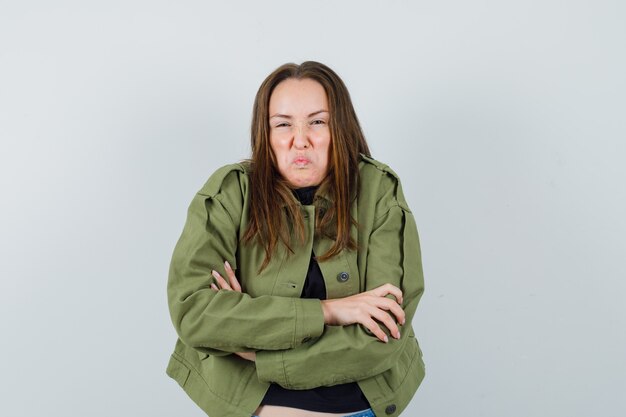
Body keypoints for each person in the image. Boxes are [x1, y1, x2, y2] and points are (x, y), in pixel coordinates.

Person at [166, 61, 425, 417]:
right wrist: (329, 312)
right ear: (265, 132)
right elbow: (195, 313)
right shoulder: (229, 193)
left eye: (317, 122)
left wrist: (257, 350)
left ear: (340, 129)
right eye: (283, 124)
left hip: (358, 407)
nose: (299, 140)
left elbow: (382, 335)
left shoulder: (378, 191)